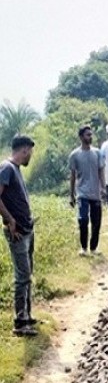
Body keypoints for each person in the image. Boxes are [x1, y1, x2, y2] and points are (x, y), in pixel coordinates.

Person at [0, 136, 37, 336]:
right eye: (29, 151)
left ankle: (27, 315)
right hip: (18, 232)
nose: (30, 155)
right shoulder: (6, 168)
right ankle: (19, 322)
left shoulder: (15, 170)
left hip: (26, 229)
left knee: (27, 274)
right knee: (22, 277)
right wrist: (10, 220)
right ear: (23, 150)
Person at [69, 125, 105, 255]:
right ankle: (84, 248)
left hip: (95, 193)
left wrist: (103, 187)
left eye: (91, 135)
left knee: (96, 222)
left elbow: (101, 171)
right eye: (87, 135)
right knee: (83, 220)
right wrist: (71, 195)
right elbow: (72, 176)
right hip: (82, 193)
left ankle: (94, 248)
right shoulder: (75, 155)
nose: (90, 137)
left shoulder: (97, 153)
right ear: (81, 137)